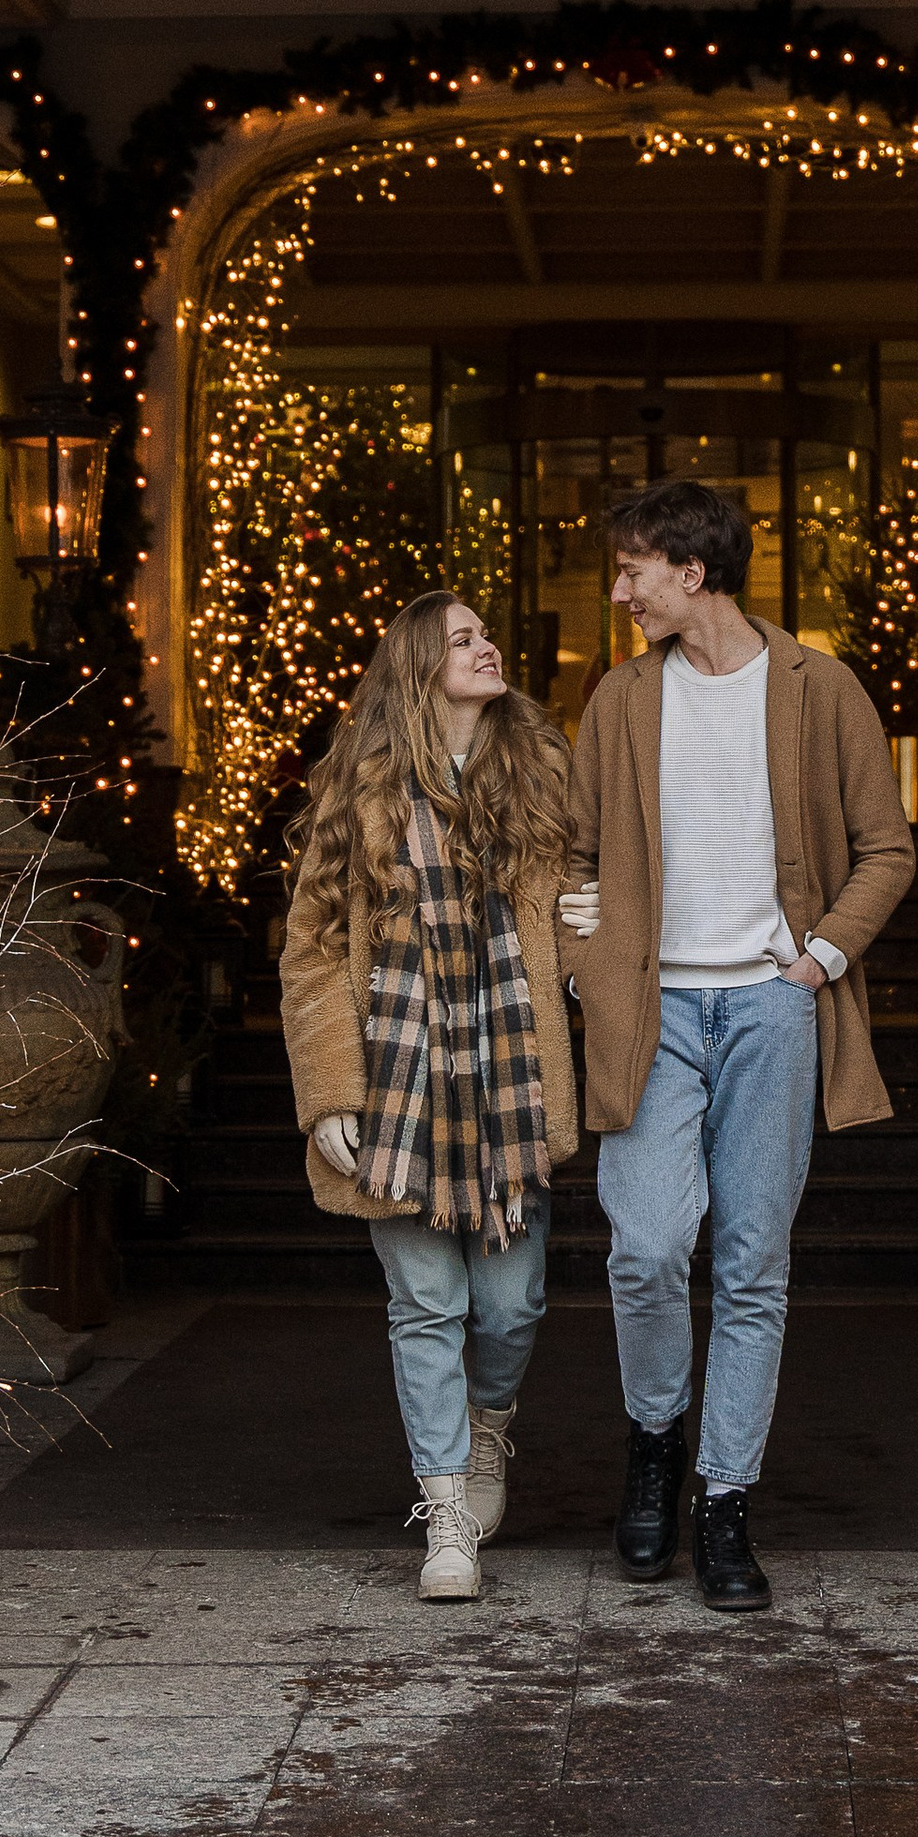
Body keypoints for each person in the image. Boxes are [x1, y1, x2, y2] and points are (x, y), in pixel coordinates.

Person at [562, 480, 914, 1612]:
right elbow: (573, 855)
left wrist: (817, 960)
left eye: (632, 570)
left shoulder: (820, 688)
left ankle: (721, 1502)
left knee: (753, 1264)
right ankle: (654, 1442)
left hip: (771, 1009)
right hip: (650, 1016)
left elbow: (885, 849)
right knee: (647, 1247)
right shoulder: (617, 700)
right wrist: (588, 962)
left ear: (691, 574)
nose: (619, 590)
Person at [280, 588, 581, 1601]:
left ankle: (489, 1425)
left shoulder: (539, 775)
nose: (488, 646)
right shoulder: (355, 791)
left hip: (509, 1085)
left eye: (488, 633)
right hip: (398, 1085)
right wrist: (329, 1092)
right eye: (464, 639)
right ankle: (445, 1513)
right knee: (425, 1302)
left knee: (512, 1303)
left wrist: (589, 914)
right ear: (418, 667)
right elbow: (313, 947)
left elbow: (583, 906)